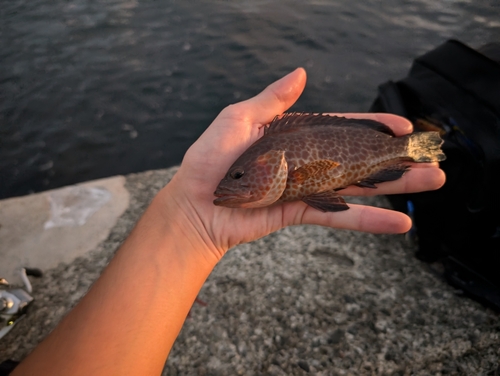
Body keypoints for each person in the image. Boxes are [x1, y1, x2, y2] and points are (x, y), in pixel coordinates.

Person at [11, 68, 445, 375]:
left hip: (377, 151)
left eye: (237, 176)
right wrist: (191, 215)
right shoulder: (257, 170)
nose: (230, 186)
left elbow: (321, 179)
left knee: (415, 151)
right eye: (236, 176)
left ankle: (423, 147)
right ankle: (421, 146)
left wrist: (399, 150)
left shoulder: (278, 154)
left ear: (268, 165)